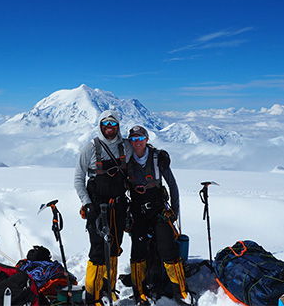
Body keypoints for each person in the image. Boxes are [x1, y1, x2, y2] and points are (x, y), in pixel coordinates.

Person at [126, 125, 194, 306]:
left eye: (140, 138)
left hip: (159, 211)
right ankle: (139, 292)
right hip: (137, 211)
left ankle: (181, 291)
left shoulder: (157, 158)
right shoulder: (126, 161)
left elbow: (172, 185)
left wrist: (174, 212)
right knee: (138, 251)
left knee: (168, 249)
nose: (137, 142)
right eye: (133, 139)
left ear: (147, 139)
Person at [74, 110, 133, 305]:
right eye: (106, 124)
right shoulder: (89, 149)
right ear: (100, 126)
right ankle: (92, 295)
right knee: (98, 250)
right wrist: (87, 204)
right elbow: (78, 179)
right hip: (97, 208)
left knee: (115, 248)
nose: (109, 127)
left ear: (118, 126)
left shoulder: (125, 146)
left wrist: (160, 156)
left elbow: (143, 150)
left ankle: (109, 289)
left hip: (118, 207)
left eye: (113, 124)